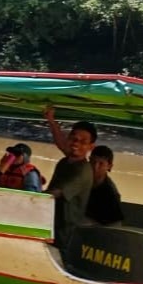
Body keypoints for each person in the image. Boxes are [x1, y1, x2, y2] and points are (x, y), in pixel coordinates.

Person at [44, 106, 97, 250]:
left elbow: (57, 193)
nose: (76, 143)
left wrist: (30, 198)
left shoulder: (83, 171)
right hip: (50, 224)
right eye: (74, 138)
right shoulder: (67, 160)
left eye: (83, 141)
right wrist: (51, 120)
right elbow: (62, 144)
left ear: (91, 147)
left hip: (64, 231)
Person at [87, 145, 123, 226]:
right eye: (93, 162)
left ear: (109, 167)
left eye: (101, 164)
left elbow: (115, 225)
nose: (95, 167)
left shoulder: (110, 193)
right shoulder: (83, 179)